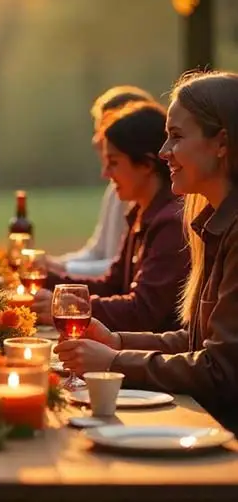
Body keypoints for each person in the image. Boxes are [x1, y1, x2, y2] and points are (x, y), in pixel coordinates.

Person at [55, 71, 238, 432]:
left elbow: (221, 369)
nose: (163, 152)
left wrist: (114, 361)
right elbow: (197, 341)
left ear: (221, 143)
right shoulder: (212, 224)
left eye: (177, 137)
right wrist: (116, 340)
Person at [33, 101, 190, 332]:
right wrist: (49, 280)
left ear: (146, 164)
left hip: (156, 359)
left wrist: (71, 306)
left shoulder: (171, 223)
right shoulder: (140, 212)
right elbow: (113, 284)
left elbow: (142, 311)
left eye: (113, 163)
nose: (105, 173)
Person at [49, 86, 154, 276]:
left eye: (103, 132)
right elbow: (98, 251)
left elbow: (121, 273)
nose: (97, 140)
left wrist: (61, 269)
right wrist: (52, 264)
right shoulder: (116, 189)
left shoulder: (143, 194)